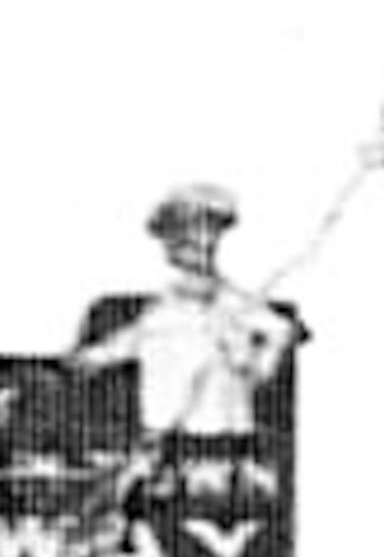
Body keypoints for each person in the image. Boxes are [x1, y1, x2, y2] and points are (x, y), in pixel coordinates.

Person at [68, 183, 302, 446]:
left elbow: (282, 331)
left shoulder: (233, 304)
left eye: (200, 242)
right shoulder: (166, 304)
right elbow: (138, 337)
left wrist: (255, 368)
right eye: (181, 243)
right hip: (162, 427)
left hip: (221, 429)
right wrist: (95, 357)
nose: (192, 251)